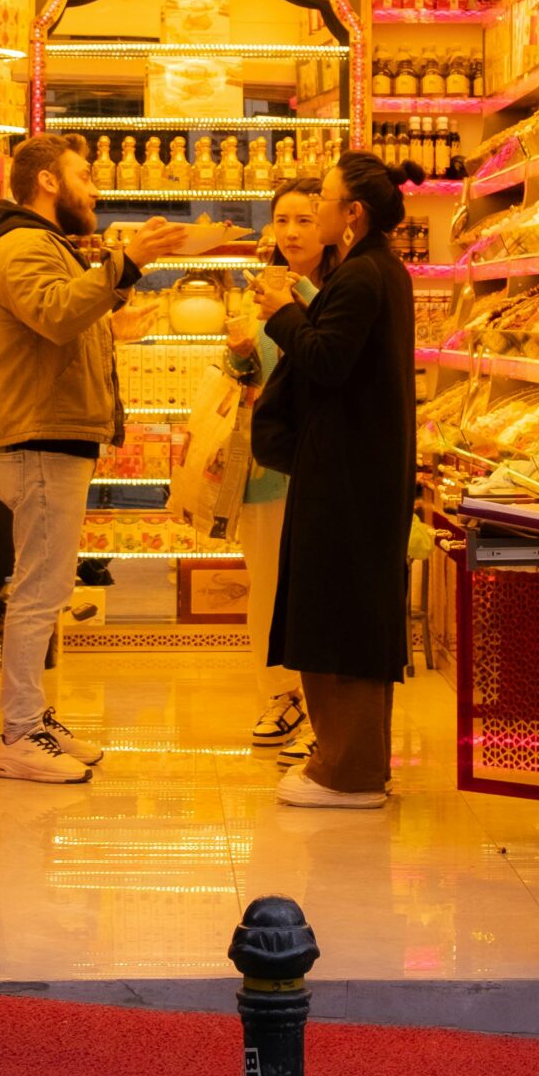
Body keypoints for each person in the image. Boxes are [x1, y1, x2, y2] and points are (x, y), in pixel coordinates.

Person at [0, 133, 186, 782]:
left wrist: (116, 308)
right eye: (84, 174)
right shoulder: (21, 246)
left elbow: (65, 323)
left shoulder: (48, 247)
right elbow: (53, 314)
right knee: (39, 588)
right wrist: (124, 265)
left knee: (49, 584)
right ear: (46, 182)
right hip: (38, 435)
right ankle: (16, 734)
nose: (94, 188)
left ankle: (34, 718)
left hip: (56, 433)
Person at [253, 150, 422, 808]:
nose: (314, 212)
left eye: (322, 200)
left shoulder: (359, 277)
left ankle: (347, 772)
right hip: (358, 465)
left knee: (339, 611)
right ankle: (349, 760)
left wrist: (282, 309)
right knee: (344, 607)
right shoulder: (376, 269)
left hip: (349, 473)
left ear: (351, 213)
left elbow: (325, 361)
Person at [222, 179, 332, 760]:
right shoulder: (259, 289)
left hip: (319, 462)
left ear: (332, 224)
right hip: (266, 463)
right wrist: (239, 353)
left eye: (305, 220)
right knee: (265, 584)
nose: (290, 232)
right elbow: (248, 369)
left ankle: (322, 706)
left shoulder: (338, 289)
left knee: (315, 584)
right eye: (282, 220)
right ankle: (280, 693)